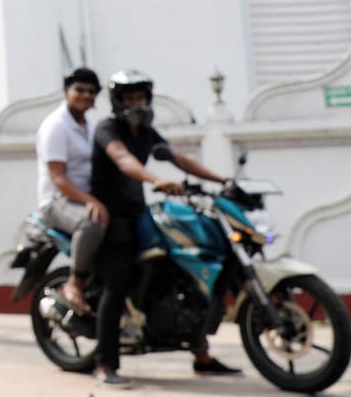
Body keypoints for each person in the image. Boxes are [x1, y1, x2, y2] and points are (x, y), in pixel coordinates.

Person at [88, 70, 243, 388]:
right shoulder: (108, 129)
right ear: (118, 101)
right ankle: (105, 363)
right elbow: (123, 159)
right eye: (130, 98)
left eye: (141, 97)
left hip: (138, 212)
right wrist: (156, 180)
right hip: (111, 217)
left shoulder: (146, 131)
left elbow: (178, 158)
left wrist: (223, 180)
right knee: (116, 285)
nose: (137, 103)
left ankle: (201, 356)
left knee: (180, 273)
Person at [34, 67, 106, 313]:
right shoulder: (56, 126)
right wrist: (91, 202)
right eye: (80, 89)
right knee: (92, 223)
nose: (86, 95)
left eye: (91, 91)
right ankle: (74, 284)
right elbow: (58, 178)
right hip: (57, 200)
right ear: (67, 91)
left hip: (83, 197)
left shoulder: (92, 127)